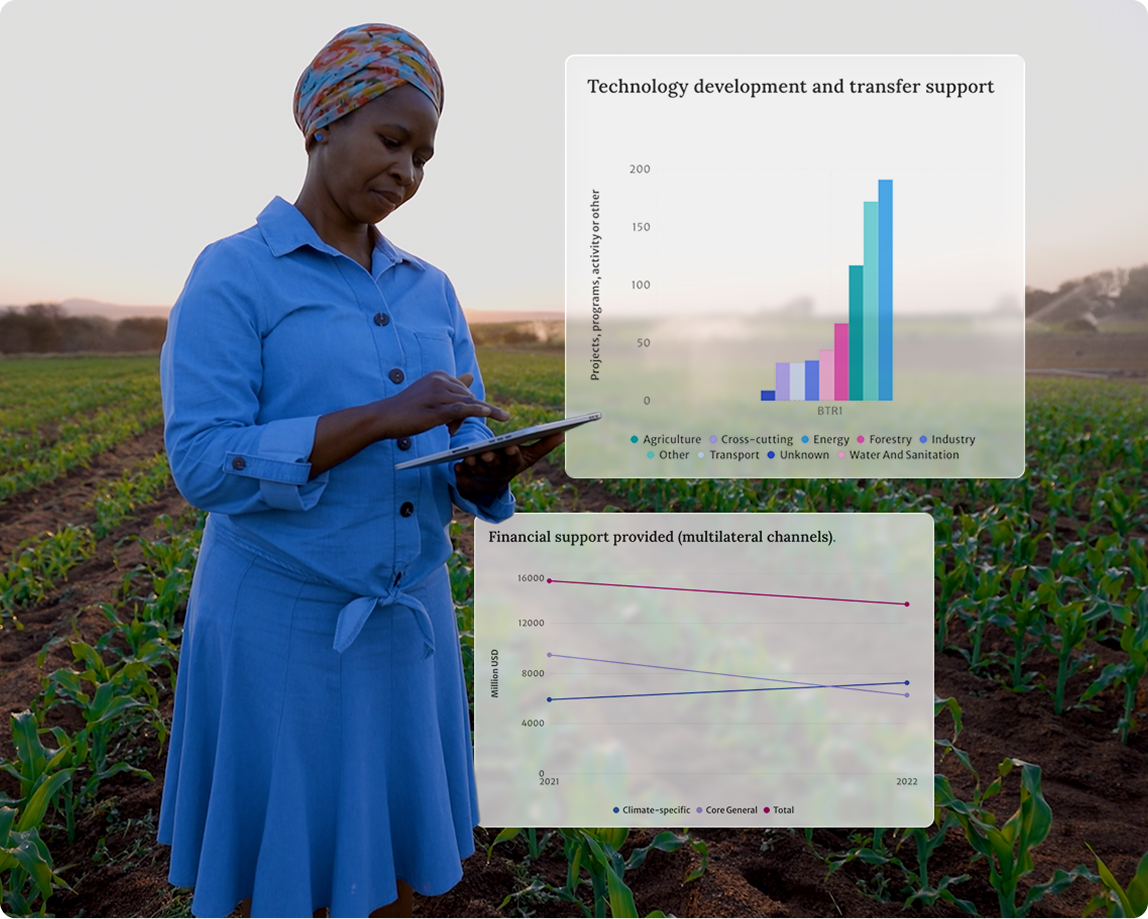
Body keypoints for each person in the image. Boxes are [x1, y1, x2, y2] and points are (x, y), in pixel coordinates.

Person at [156, 23, 562, 918]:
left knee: (398, 872)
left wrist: (486, 475)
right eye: (392, 141)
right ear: (322, 125)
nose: (408, 171)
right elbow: (201, 463)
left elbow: (447, 455)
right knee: (280, 877)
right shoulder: (234, 276)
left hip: (405, 618)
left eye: (424, 156)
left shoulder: (433, 289)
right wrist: (382, 416)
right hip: (280, 624)